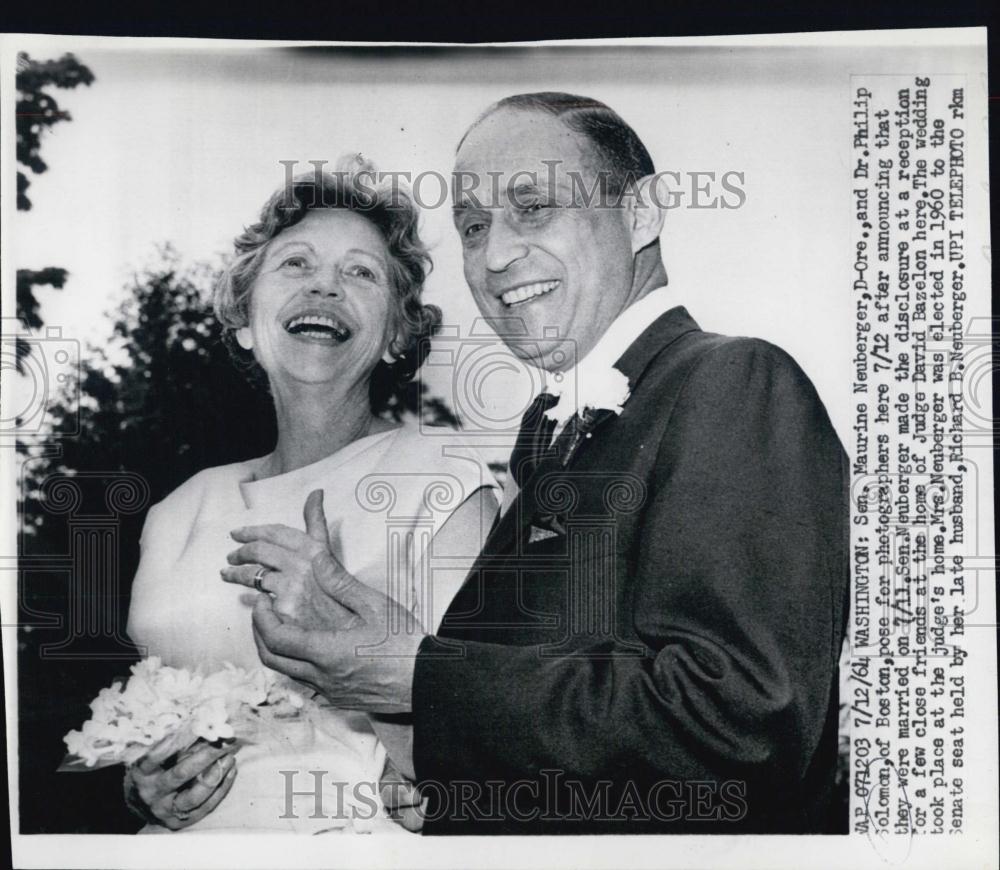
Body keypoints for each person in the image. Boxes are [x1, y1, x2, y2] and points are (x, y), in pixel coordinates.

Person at [236, 93, 849, 834]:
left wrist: (419, 674)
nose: (494, 257)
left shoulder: (733, 380)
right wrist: (423, 755)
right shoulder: (549, 439)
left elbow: (743, 728)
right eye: (472, 226)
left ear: (643, 213)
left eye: (533, 208)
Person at [122, 157, 498, 833]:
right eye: (296, 264)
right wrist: (141, 783)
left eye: (360, 272)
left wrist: (352, 658)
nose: (324, 286)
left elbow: (471, 754)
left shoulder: (445, 477)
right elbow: (153, 713)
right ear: (244, 318)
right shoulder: (177, 509)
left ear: (396, 335)